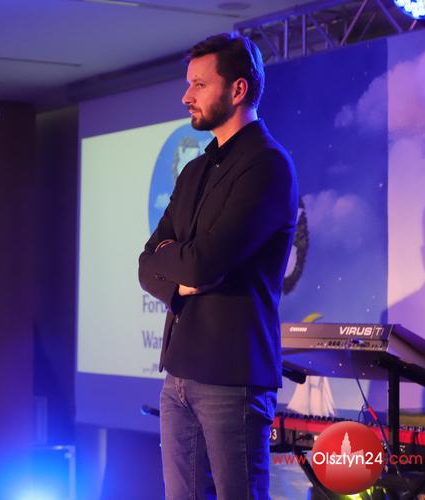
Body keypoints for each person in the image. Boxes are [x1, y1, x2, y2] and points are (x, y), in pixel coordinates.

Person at [138, 33, 298, 499]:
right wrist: (177, 280)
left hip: (233, 377)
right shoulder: (196, 170)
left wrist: (179, 264)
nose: (186, 96)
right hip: (179, 374)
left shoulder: (267, 165)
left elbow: (205, 264)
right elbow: (146, 264)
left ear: (238, 89)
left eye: (199, 84)